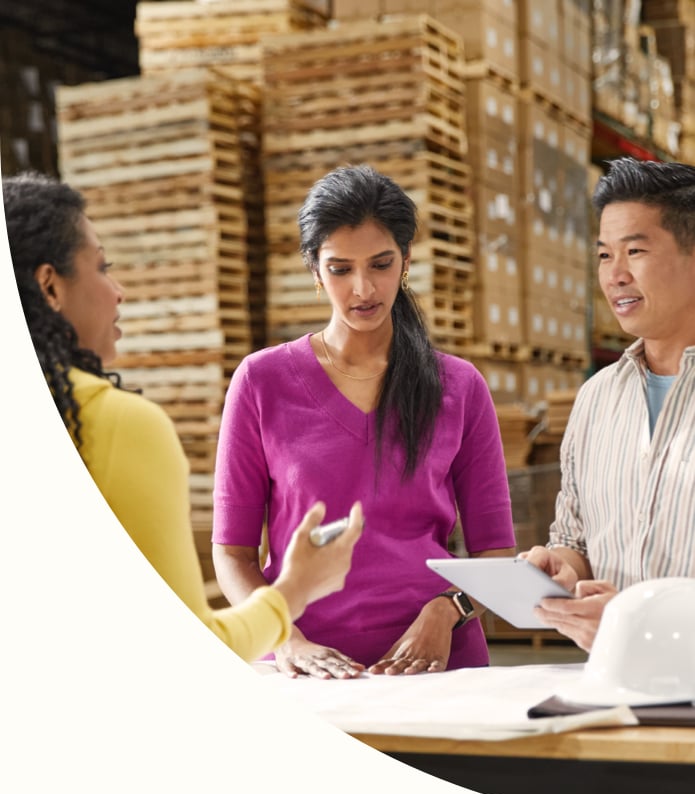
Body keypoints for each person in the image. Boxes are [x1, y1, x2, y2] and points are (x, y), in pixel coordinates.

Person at [3, 170, 363, 663]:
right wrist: (294, 589)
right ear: (50, 286)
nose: (119, 291)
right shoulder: (115, 423)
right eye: (103, 266)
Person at [212, 164, 516, 679]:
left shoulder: (460, 387)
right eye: (340, 269)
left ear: (406, 261)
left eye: (380, 264)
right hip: (302, 673)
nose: (363, 288)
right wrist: (286, 638)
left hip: (440, 669)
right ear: (314, 270)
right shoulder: (261, 382)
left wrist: (449, 611)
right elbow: (233, 554)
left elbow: (496, 550)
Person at [524, 156, 695, 652]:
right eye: (603, 256)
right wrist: (562, 568)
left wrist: (636, 624)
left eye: (635, 251)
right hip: (614, 688)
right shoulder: (597, 399)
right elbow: (575, 537)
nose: (615, 275)